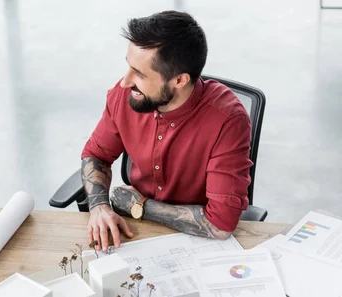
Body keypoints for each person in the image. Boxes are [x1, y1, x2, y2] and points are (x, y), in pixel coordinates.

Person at [82, 11, 253, 252]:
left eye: (140, 74)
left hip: (200, 243)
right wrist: (99, 206)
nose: (125, 81)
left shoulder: (228, 120)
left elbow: (221, 224)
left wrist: (139, 206)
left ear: (180, 80)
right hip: (133, 233)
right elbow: (96, 154)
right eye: (129, 67)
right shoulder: (124, 95)